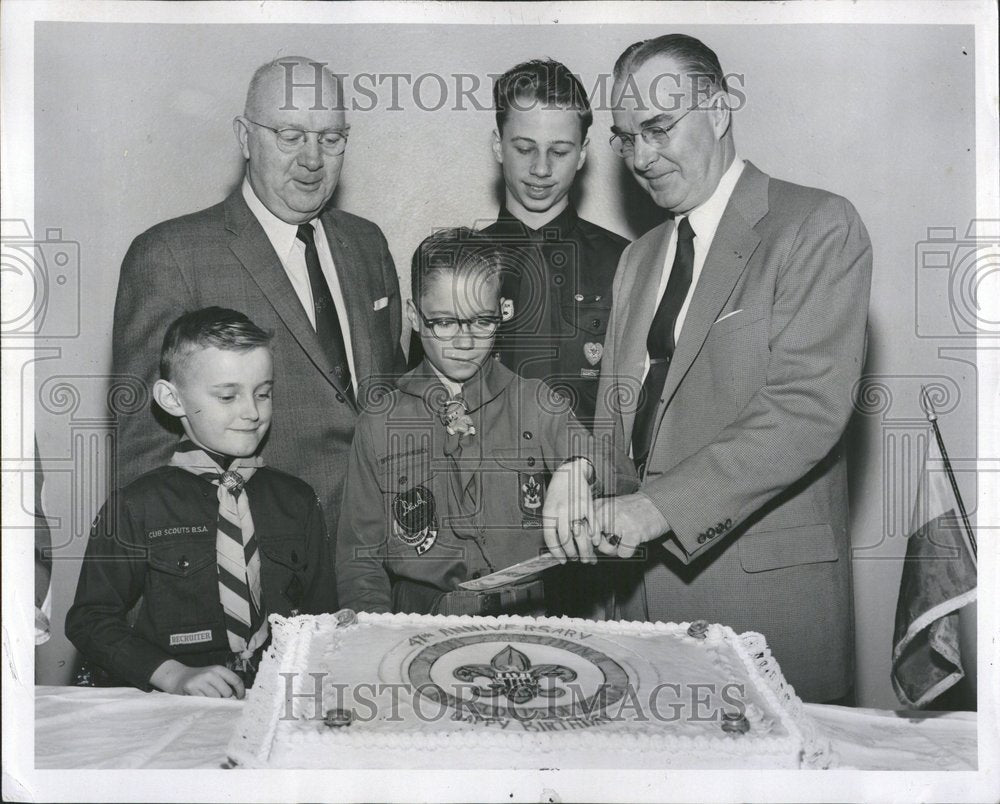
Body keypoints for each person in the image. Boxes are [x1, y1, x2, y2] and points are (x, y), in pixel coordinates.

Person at [544, 34, 873, 703]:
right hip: (635, 616)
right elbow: (620, 420)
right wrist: (579, 472)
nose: (641, 156)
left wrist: (655, 510)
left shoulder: (816, 226)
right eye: (626, 138)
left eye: (659, 129)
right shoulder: (639, 257)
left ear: (719, 109)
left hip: (763, 614)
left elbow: (804, 410)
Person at [111, 57, 405, 598]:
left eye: (332, 138)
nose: (312, 160)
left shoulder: (368, 244)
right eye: (290, 135)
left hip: (377, 568)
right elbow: (143, 456)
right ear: (245, 138)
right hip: (248, 576)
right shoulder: (170, 255)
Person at [337, 229, 608, 616]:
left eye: (482, 322)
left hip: (530, 617)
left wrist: (579, 468)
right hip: (420, 622)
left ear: (504, 312)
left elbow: (620, 471)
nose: (465, 342)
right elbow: (359, 560)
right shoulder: (380, 422)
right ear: (414, 316)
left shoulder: (534, 401)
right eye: (445, 323)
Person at [67, 308, 332, 697]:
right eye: (228, 395)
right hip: (174, 705)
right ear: (172, 399)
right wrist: (172, 675)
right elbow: (90, 620)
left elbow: (322, 616)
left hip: (280, 696)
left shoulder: (297, 500)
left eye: (263, 393)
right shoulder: (136, 506)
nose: (253, 412)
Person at [408, 59, 627, 431]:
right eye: (525, 148)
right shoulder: (451, 266)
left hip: (592, 480)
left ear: (584, 153)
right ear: (498, 145)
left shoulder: (624, 261)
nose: (541, 169)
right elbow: (420, 401)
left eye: (559, 151)